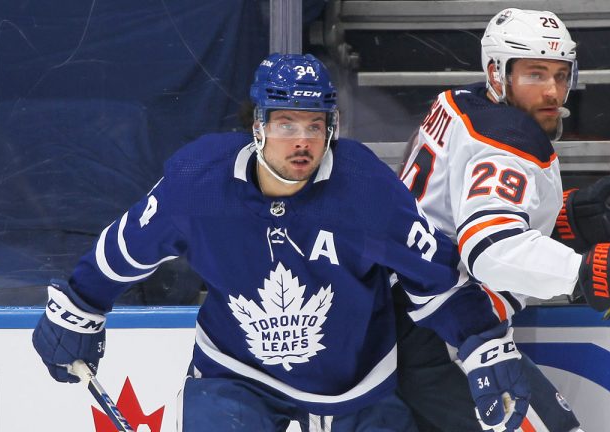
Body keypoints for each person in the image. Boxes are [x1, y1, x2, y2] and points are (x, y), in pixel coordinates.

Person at [31, 53, 536, 432]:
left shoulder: (366, 191)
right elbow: (125, 249)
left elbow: (436, 280)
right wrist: (78, 307)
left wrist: (483, 345)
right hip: (236, 370)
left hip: (356, 377)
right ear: (258, 126)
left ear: (330, 130)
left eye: (315, 126)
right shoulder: (200, 183)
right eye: (286, 124)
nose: (302, 141)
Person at [395, 8, 610, 432]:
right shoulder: (507, 142)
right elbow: (488, 248)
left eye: (561, 74)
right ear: (497, 73)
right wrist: (588, 272)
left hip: (409, 317)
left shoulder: (459, 104)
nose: (553, 91)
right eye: (535, 74)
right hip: (443, 328)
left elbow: (459, 214)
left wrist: (567, 217)